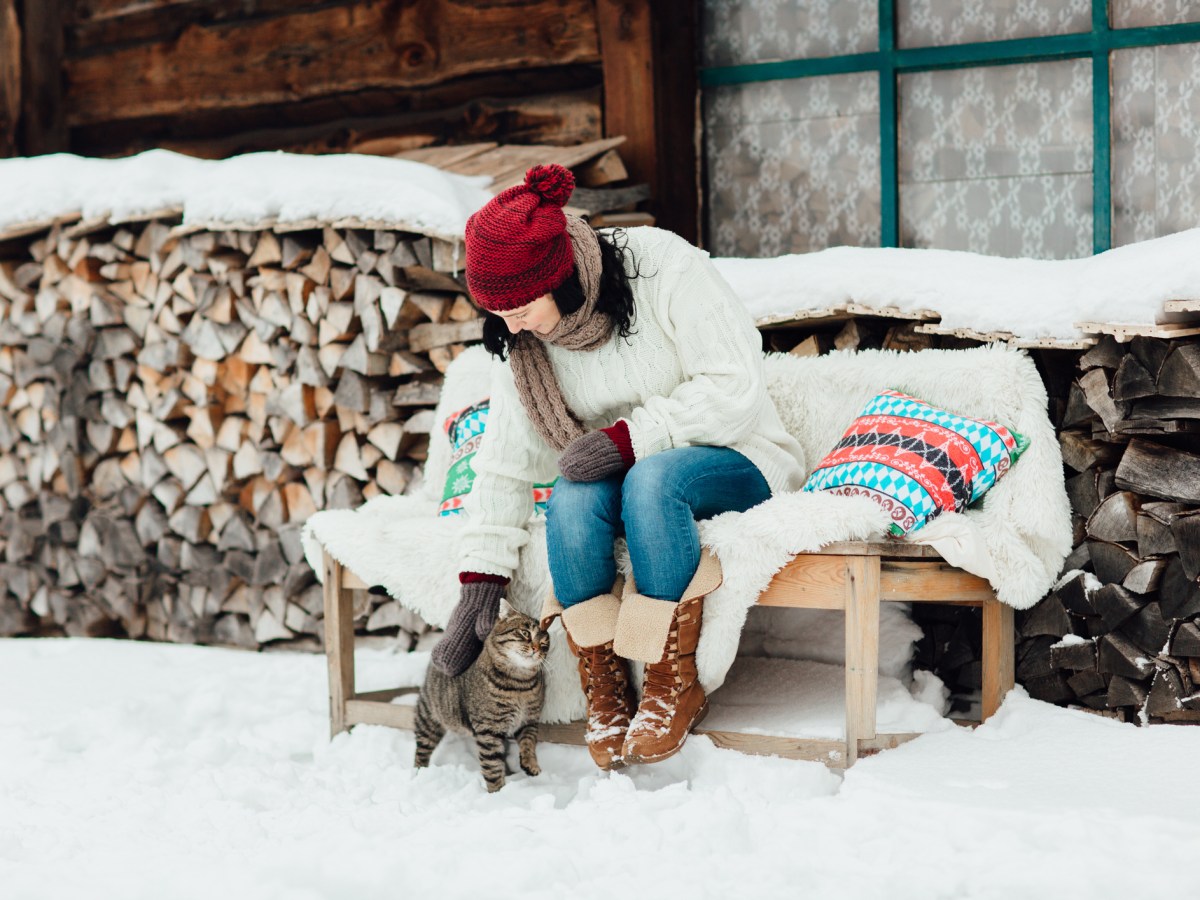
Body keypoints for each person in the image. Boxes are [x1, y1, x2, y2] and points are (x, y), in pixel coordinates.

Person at [430, 163, 805, 768]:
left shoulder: (665, 268)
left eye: (521, 307)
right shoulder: (523, 339)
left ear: (559, 277)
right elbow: (504, 462)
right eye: (498, 313)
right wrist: (480, 584)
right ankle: (605, 688)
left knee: (653, 481)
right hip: (618, 469)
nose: (510, 325)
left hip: (736, 456)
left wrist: (633, 440)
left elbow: (735, 387)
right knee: (572, 497)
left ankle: (669, 680)